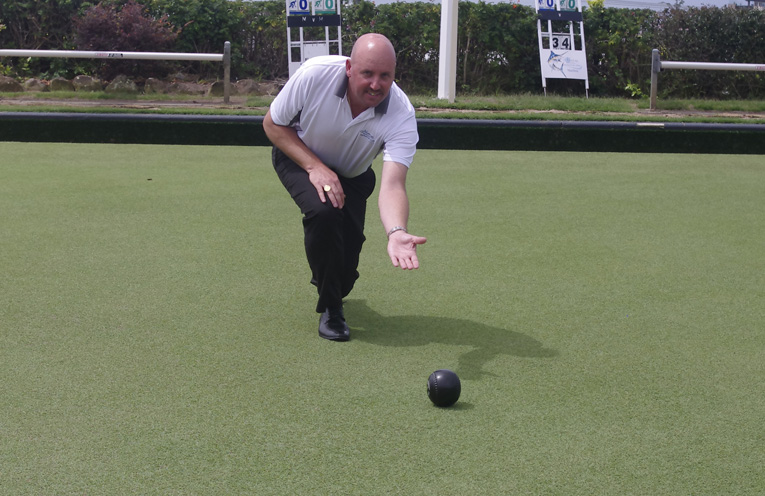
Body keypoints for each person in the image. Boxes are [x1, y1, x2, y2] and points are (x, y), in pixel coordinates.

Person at [263, 33, 426, 342]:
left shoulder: (401, 114)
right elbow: (272, 124)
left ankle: (332, 282)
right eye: (367, 73)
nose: (376, 85)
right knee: (323, 212)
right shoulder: (315, 73)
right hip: (298, 154)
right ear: (350, 68)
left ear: (394, 75)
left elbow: (393, 184)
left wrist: (396, 232)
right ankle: (332, 311)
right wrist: (315, 167)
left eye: (385, 76)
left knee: (345, 272)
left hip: (352, 176)